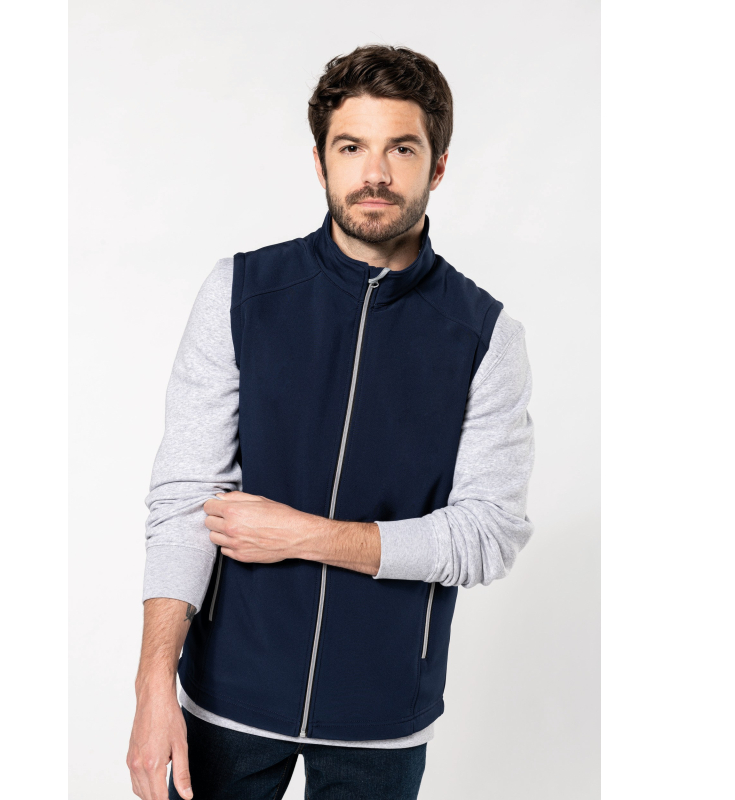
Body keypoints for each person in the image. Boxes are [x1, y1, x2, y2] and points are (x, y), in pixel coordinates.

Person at [126, 44, 535, 800]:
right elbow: (185, 498)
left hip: (381, 716)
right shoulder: (240, 293)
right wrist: (154, 686)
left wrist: (306, 536)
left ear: (438, 166)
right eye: (351, 147)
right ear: (320, 162)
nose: (374, 173)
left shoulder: (485, 337)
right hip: (226, 698)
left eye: (401, 148)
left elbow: (488, 534)